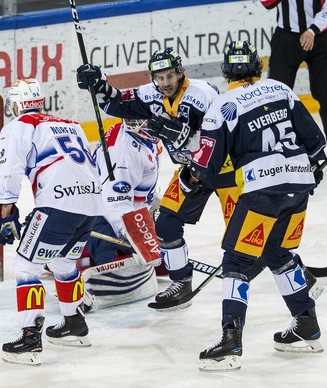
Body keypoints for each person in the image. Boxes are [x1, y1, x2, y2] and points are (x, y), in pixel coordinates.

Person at [186, 41, 326, 372]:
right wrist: (307, 169)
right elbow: (317, 144)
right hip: (299, 186)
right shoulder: (281, 89)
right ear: (257, 67)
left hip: (263, 192)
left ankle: (231, 342)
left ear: (225, 71)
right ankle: (307, 325)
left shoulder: (222, 106)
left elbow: (206, 168)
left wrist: (193, 176)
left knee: (236, 260)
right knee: (278, 254)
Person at [76, 49, 231, 310]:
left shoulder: (203, 95)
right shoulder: (150, 96)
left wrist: (187, 138)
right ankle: (181, 282)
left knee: (247, 228)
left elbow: (222, 136)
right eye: (159, 77)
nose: (165, 83)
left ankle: (286, 262)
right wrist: (99, 84)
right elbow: (119, 102)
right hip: (191, 172)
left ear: (180, 72)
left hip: (225, 167)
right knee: (167, 224)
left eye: (170, 75)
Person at [0, 78, 103, 366]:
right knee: (64, 263)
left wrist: (6, 212)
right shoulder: (70, 124)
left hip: (58, 204)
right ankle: (74, 324)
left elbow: (10, 170)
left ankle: (29, 338)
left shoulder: (18, 127)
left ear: (16, 103)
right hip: (91, 204)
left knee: (27, 265)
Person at [81, 118, 162, 310]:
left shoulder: (146, 137)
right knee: (110, 250)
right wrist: (133, 237)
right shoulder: (123, 152)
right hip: (99, 210)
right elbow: (115, 204)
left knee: (166, 253)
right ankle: (82, 258)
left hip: (127, 208)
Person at [261, 0, 327, 168]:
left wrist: (312, 30)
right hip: (287, 37)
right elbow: (267, 3)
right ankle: (273, 147)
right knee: (275, 98)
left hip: (321, 37)